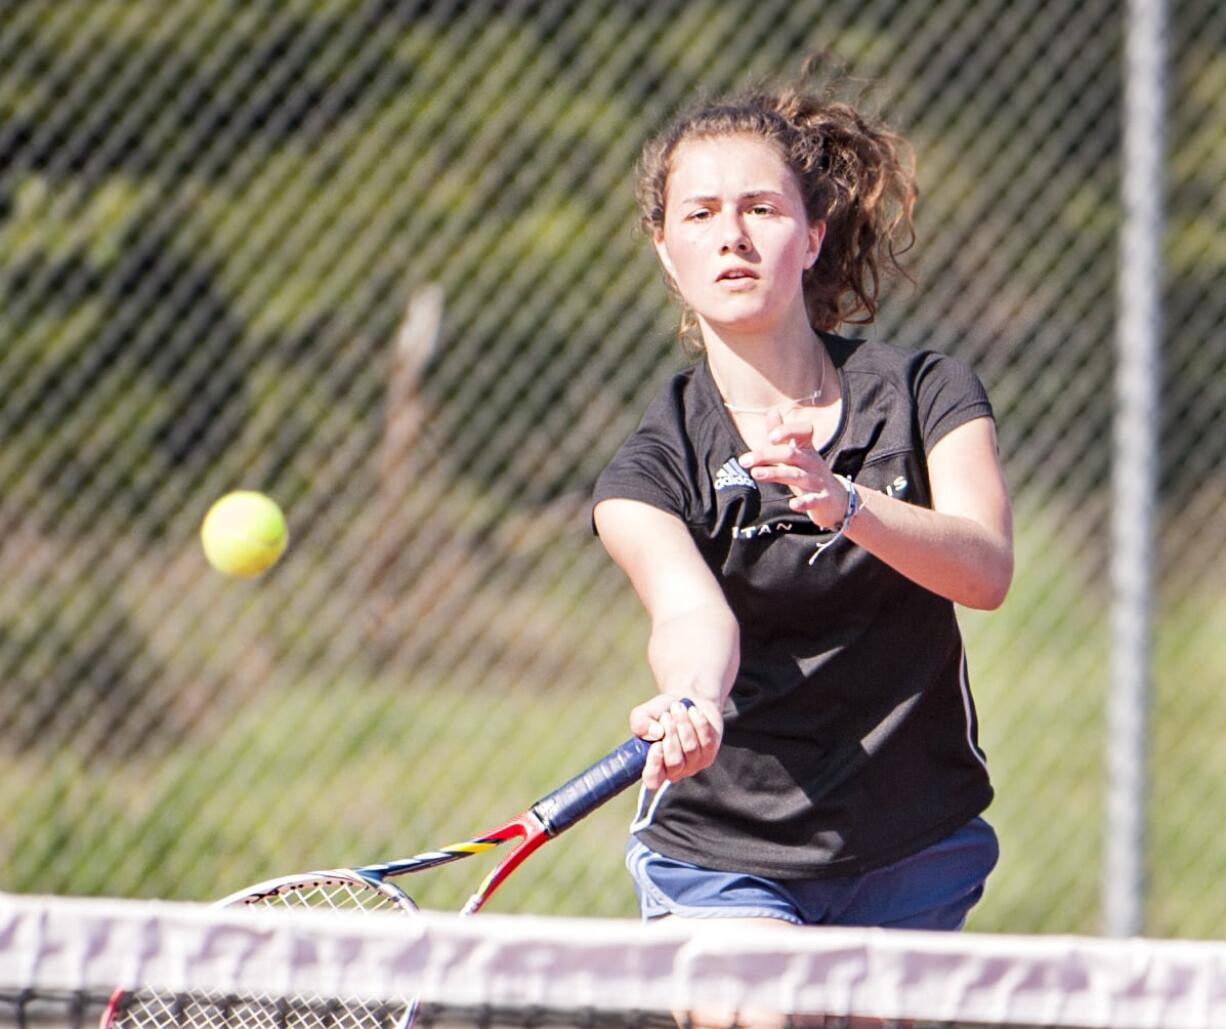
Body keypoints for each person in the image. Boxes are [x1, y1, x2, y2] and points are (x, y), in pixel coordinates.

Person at [592, 66, 1013, 934]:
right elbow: (690, 618)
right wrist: (691, 701)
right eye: (699, 215)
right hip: (724, 853)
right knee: (756, 1006)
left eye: (762, 209)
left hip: (911, 838)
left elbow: (986, 568)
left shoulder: (926, 392)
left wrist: (848, 503)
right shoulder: (649, 470)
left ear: (813, 237)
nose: (731, 235)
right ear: (667, 253)